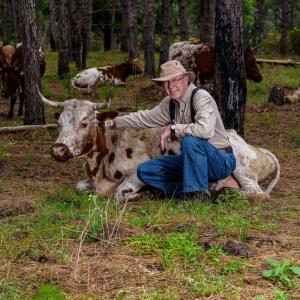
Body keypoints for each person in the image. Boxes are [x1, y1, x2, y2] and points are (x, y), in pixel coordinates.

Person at [114, 60, 239, 200]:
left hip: (220, 160)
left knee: (190, 140)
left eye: (174, 80)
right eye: (166, 82)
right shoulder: (170, 103)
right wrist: (116, 121)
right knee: (145, 171)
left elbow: (205, 130)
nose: (170, 86)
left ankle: (196, 194)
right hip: (192, 162)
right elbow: (146, 117)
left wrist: (174, 128)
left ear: (186, 79)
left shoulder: (200, 96)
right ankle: (193, 193)